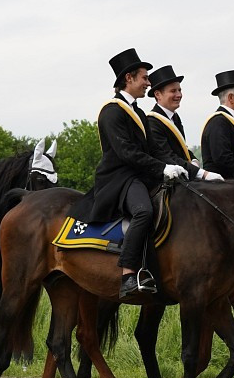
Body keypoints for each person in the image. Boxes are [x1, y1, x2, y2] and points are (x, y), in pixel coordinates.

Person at [70, 48, 189, 299]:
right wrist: (161, 168)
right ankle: (127, 274)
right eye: (145, 77)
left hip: (140, 175)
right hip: (119, 178)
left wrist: (187, 170)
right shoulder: (111, 111)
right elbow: (126, 152)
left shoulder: (139, 112)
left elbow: (156, 149)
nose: (148, 82)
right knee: (144, 211)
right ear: (129, 78)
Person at [146, 65, 224, 182]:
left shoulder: (175, 117)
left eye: (179, 90)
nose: (179, 95)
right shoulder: (152, 122)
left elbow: (182, 148)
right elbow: (167, 156)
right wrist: (203, 173)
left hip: (184, 175)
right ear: (158, 95)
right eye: (173, 91)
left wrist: (193, 160)